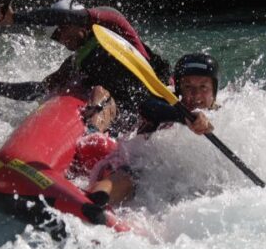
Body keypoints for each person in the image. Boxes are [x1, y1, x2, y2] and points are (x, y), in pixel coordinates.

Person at [0, 0, 170, 135]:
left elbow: (66, 16)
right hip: (131, 116)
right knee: (98, 93)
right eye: (55, 36)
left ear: (75, 21)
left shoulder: (110, 22)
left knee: (100, 92)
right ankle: (92, 139)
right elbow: (39, 89)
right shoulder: (76, 63)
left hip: (159, 96)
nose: (61, 39)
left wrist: (16, 18)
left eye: (61, 30)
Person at [85, 53, 220, 208]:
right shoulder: (164, 102)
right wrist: (184, 117)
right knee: (128, 176)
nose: (195, 95)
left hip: (176, 185)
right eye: (188, 86)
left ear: (214, 91)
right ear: (178, 89)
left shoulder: (225, 114)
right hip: (137, 167)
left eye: (203, 87)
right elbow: (147, 106)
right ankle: (91, 204)